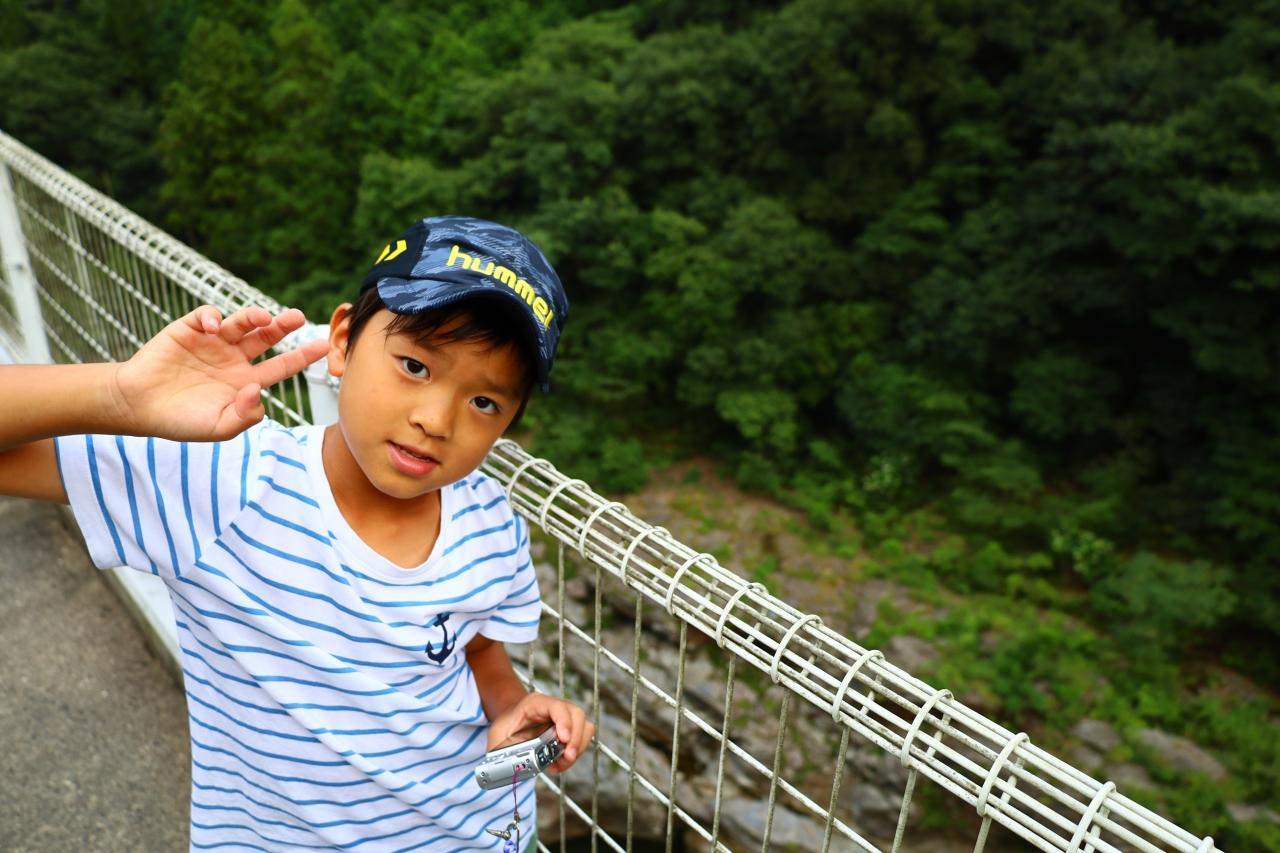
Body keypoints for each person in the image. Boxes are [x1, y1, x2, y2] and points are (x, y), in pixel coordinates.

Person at [0, 215, 595, 851]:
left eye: (484, 403)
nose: (436, 419)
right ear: (342, 341)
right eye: (415, 365)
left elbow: (478, 654)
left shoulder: (491, 522)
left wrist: (513, 705)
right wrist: (121, 394)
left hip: (476, 832)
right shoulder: (220, 482)